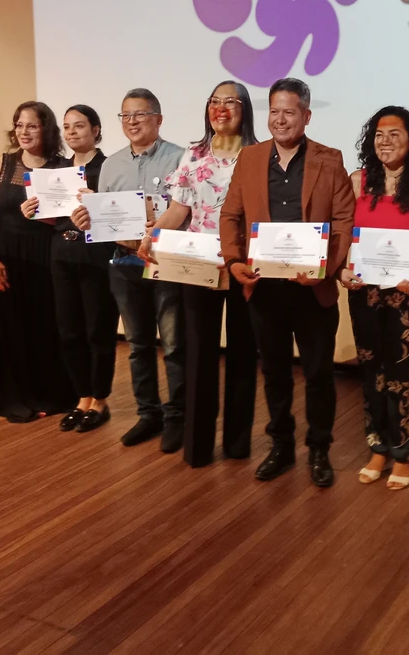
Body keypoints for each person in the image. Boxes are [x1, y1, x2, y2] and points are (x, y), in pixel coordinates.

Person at [220, 77, 356, 488]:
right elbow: (231, 215)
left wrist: (323, 269)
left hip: (312, 289)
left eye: (290, 112)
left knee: (318, 375)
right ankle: (281, 446)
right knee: (275, 372)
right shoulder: (250, 158)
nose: (280, 120)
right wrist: (233, 261)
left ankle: (319, 448)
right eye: (274, 111)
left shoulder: (329, 159)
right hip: (264, 288)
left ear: (306, 116)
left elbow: (343, 221)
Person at [138, 81, 260, 467]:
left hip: (242, 265)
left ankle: (238, 444)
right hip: (199, 264)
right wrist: (152, 236)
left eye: (230, 101)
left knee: (242, 354)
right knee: (198, 355)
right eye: (215, 101)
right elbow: (179, 211)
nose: (221, 108)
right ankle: (198, 446)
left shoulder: (259, 156)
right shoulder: (193, 155)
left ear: (245, 109)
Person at [339, 107, 409, 490]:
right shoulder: (357, 182)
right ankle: (377, 447)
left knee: (406, 375)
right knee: (372, 373)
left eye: (394, 134)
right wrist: (343, 269)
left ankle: (403, 453)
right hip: (365, 293)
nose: (385, 141)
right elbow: (345, 237)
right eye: (379, 134)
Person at [74, 89, 186, 452]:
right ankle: (148, 414)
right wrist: (86, 218)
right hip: (124, 263)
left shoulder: (180, 158)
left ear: (159, 119)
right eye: (126, 116)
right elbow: (102, 218)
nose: (133, 121)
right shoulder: (111, 164)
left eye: (141, 114)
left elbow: (188, 212)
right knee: (138, 345)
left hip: (166, 263)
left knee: (173, 346)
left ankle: (177, 418)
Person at [23, 105, 118, 433]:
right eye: (66, 126)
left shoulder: (108, 167)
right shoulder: (55, 170)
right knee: (69, 331)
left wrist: (98, 203)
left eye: (79, 125)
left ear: (96, 129)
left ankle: (100, 400)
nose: (72, 132)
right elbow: (53, 217)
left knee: (98, 331)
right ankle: (82, 398)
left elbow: (120, 216)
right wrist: (33, 211)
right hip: (61, 253)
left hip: (96, 255)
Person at [0, 101, 77, 421]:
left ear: (46, 129)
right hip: (6, 255)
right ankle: (14, 399)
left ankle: (50, 396)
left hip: (47, 254)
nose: (24, 132)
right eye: (19, 125)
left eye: (32, 125)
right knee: (9, 328)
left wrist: (46, 218)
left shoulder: (62, 166)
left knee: (46, 327)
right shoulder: (4, 162)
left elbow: (70, 219)